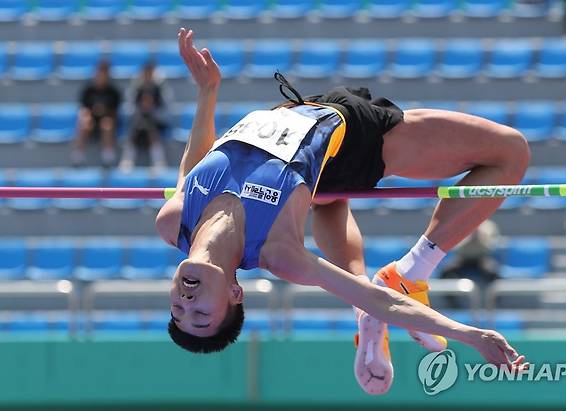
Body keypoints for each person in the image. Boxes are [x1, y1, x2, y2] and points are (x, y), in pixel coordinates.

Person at [156, 28, 530, 395]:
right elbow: (382, 302)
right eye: (201, 316)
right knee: (510, 152)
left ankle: (363, 311)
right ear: (235, 294)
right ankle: (413, 270)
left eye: (176, 310)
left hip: (304, 134)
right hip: (352, 137)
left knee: (328, 200)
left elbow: (191, 169)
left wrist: (208, 92)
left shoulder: (174, 223)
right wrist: (470, 335)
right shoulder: (278, 253)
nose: (186, 305)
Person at [119, 62, 173, 171]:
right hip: (138, 122)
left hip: (157, 121)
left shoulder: (160, 89)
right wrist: (141, 110)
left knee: (150, 126)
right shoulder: (136, 88)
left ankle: (158, 161)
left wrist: (152, 110)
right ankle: (127, 160)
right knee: (138, 125)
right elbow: (128, 108)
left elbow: (166, 110)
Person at [71, 61, 122, 167]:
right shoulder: (88, 91)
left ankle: (107, 157)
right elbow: (84, 109)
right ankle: (77, 156)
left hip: (107, 122)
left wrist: (104, 111)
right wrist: (92, 112)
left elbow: (115, 112)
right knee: (85, 121)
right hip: (91, 122)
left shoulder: (113, 92)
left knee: (106, 124)